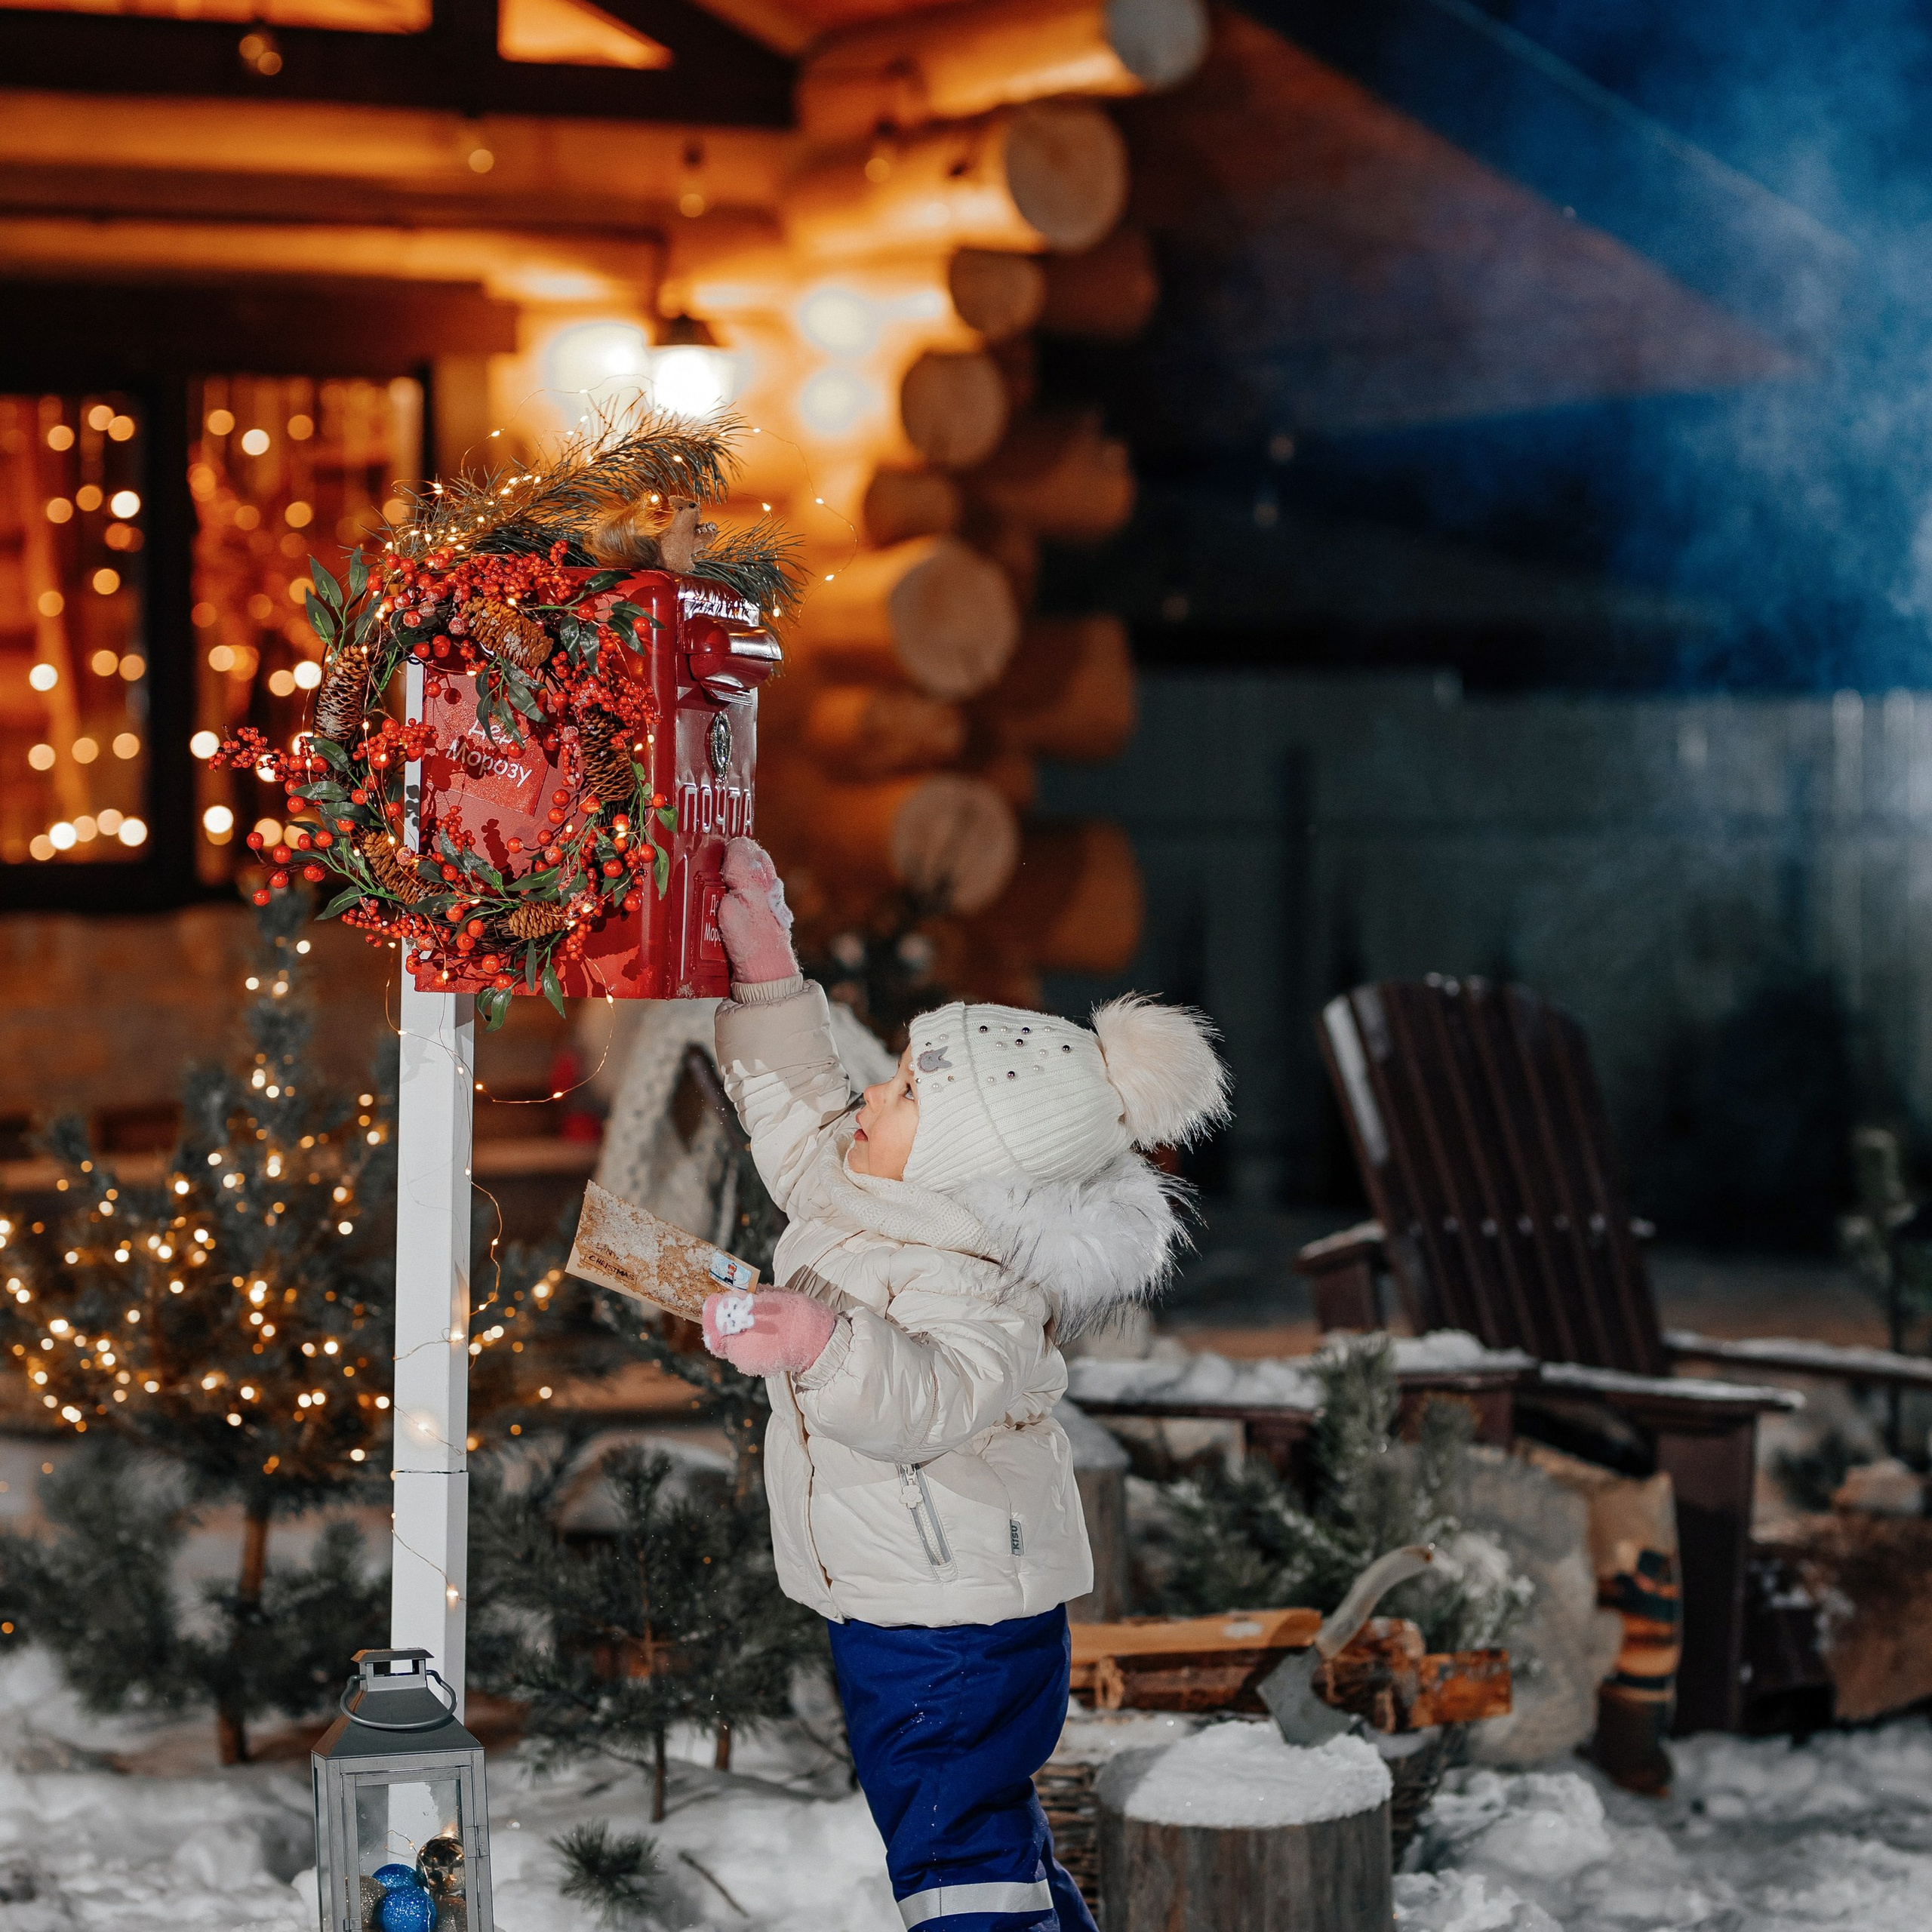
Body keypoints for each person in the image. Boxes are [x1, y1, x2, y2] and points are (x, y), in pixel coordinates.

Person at [698, 838, 1229, 1932]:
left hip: (953, 1622)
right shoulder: (872, 1186)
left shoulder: (980, 1278)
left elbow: (931, 1399)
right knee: (981, 1838)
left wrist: (817, 1343)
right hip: (922, 1599)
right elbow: (802, 1111)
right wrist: (769, 972)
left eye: (902, 1091)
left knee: (954, 1856)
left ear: (960, 1164)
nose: (873, 1093)